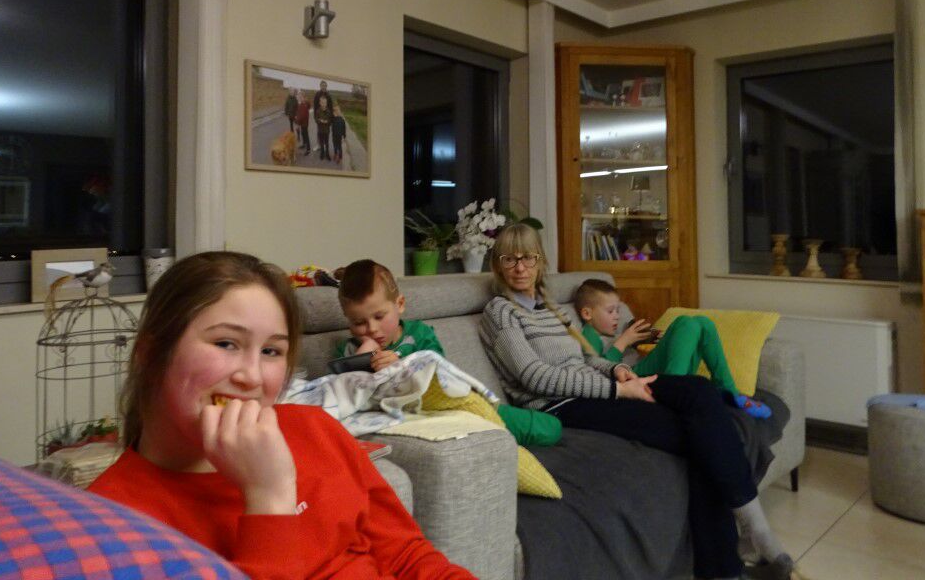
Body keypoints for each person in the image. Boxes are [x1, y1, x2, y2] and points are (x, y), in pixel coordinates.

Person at [89, 251, 473, 580]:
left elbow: (408, 558)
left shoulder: (316, 429)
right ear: (150, 354)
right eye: (226, 343)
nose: (253, 377)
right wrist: (269, 499)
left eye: (271, 351)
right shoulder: (107, 524)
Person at [479, 224, 795, 580]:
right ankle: (733, 560)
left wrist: (619, 371)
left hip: (598, 387)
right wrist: (617, 391)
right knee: (696, 437)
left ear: (540, 261)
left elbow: (587, 359)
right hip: (560, 405)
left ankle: (751, 531)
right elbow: (534, 377)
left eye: (528, 257)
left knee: (697, 390)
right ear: (498, 264)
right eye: (509, 259)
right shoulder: (500, 312)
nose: (520, 267)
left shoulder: (551, 309)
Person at [336, 259, 561, 446]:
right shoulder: (348, 351)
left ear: (400, 304)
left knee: (548, 428)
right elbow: (343, 399)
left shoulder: (419, 334)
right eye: (358, 323)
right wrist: (360, 361)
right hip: (417, 418)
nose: (372, 329)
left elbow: (440, 371)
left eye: (379, 317)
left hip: (451, 402)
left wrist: (401, 365)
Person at [575, 278, 771, 419]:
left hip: (650, 372)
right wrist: (623, 341)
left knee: (703, 323)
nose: (617, 316)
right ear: (587, 314)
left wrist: (645, 341)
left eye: (618, 310)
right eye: (610, 311)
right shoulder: (588, 334)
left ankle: (729, 392)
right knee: (685, 322)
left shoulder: (606, 332)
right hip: (638, 381)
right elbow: (598, 372)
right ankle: (675, 392)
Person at [314, 93, 333, 160]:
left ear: (326, 103)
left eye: (325, 102)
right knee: (321, 142)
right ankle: (322, 153)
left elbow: (330, 120)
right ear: (320, 103)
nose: (323, 104)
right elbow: (316, 119)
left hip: (326, 130)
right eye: (322, 102)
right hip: (320, 130)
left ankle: (327, 153)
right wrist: (320, 121)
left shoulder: (328, 111)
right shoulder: (318, 111)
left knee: (326, 143)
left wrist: (327, 121)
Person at [295, 89, 311, 154]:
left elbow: (302, 115)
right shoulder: (301, 104)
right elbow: (299, 113)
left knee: (305, 135)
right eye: (299, 96)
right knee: (303, 133)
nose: (299, 97)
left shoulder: (303, 104)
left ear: (304, 98)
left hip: (304, 123)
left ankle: (308, 149)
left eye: (301, 97)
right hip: (302, 123)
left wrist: (297, 122)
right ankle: (304, 144)